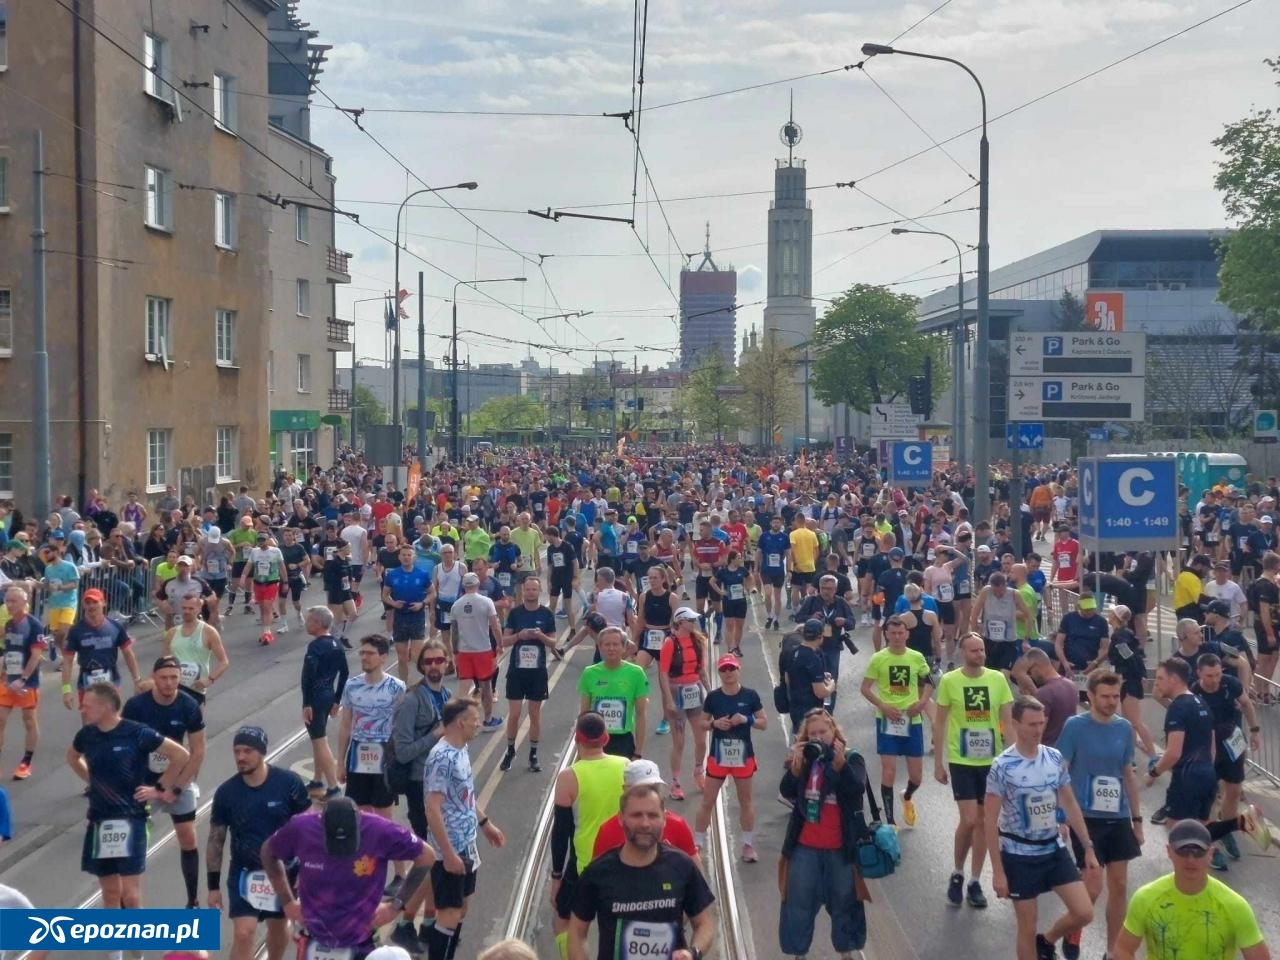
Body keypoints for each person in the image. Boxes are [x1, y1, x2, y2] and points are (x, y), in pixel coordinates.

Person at [984, 695, 1097, 960]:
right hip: (1018, 854)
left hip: (1052, 849)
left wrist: (1088, 846)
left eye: (1041, 723)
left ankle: (1047, 941)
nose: (1038, 730)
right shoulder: (1002, 766)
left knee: (1084, 912)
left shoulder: (1054, 757)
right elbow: (989, 821)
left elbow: (1068, 801)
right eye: (1032, 724)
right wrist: (997, 872)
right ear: (1015, 724)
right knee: (1027, 926)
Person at [260, 796, 436, 960]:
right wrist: (287, 903)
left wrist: (395, 906)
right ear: (321, 824)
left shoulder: (380, 830)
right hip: (313, 937)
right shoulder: (301, 828)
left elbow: (426, 856)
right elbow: (268, 853)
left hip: (362, 940)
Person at [68, 682, 190, 909]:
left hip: (131, 817)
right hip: (99, 820)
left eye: (87, 705)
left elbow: (180, 755)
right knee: (110, 893)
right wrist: (92, 781)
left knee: (131, 896)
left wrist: (159, 789)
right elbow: (73, 757)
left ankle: (134, 942)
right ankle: (116, 944)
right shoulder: (86, 735)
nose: (82, 710)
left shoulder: (136, 732)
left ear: (104, 707)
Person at [567, 782, 716, 960]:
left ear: (664, 819)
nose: (645, 823)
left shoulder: (682, 865)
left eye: (653, 815)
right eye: (636, 815)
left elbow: (705, 923)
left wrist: (693, 953)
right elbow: (576, 932)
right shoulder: (598, 872)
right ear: (621, 819)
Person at [1055, 671, 1145, 960]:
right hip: (1085, 817)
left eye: (1115, 697)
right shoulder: (1075, 727)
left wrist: (1137, 820)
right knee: (1093, 886)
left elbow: (1127, 774)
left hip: (1117, 816)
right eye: (1104, 697)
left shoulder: (1124, 728)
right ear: (1090, 696)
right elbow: (1060, 772)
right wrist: (1060, 816)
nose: (1110, 702)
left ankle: (1112, 951)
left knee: (1119, 885)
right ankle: (1074, 926)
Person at [207, 726, 312, 960]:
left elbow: (309, 830)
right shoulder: (226, 792)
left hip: (282, 873)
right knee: (244, 933)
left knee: (277, 928)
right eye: (237, 751)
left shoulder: (289, 784)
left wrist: (307, 871)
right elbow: (216, 839)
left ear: (262, 752)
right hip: (244, 873)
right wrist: (213, 886)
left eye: (248, 751)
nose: (241, 757)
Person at [777, 708, 869, 960]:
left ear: (834, 732)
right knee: (799, 904)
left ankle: (847, 952)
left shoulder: (851, 759)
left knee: (845, 903)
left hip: (840, 849)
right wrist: (796, 769)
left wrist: (839, 766)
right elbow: (785, 791)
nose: (818, 737)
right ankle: (799, 954)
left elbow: (856, 789)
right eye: (812, 733)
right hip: (804, 847)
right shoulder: (805, 760)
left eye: (823, 732)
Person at [933, 632, 1014, 909]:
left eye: (982, 650)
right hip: (962, 760)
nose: (980, 655)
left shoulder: (997, 679)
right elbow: (940, 721)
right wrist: (938, 763)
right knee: (968, 820)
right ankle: (957, 871)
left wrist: (1013, 758)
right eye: (974, 651)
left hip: (991, 762)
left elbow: (1007, 721)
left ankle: (975, 881)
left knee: (983, 822)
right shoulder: (950, 681)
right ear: (962, 653)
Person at [1112, 819, 1271, 960]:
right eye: (1183, 851)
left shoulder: (1235, 906)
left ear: (1210, 854)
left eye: (1198, 851)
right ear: (1169, 852)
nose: (1190, 859)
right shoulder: (1145, 898)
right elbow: (1123, 949)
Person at [423, 698, 507, 960]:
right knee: (448, 913)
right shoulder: (442, 758)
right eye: (474, 719)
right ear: (461, 722)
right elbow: (432, 808)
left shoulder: (460, 749)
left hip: (466, 841)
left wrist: (484, 823)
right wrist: (447, 854)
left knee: (461, 908)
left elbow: (465, 795)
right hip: (451, 848)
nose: (478, 723)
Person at [122, 656, 207, 908]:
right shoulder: (136, 706)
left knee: (189, 838)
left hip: (178, 779)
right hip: (144, 783)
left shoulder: (189, 705)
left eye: (174, 678)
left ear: (180, 678)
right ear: (153, 677)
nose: (169, 683)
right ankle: (126, 906)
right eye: (163, 678)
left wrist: (176, 788)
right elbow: (125, 748)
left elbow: (198, 752)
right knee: (132, 845)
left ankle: (192, 900)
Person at [550, 712, 629, 960]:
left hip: (585, 864)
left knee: (565, 922)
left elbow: (561, 833)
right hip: (624, 862)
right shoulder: (626, 766)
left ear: (577, 739)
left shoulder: (568, 777)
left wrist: (556, 877)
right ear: (606, 738)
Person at [860, 615, 933, 827]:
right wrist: (882, 705)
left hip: (912, 720)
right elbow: (865, 688)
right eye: (893, 633)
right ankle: (890, 821)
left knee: (917, 776)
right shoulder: (879, 658)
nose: (897, 637)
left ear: (907, 634)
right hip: (887, 719)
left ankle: (907, 796)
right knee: (888, 769)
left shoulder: (917, 657)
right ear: (887, 635)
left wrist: (921, 702)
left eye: (901, 633)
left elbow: (929, 683)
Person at [1193, 652, 1263, 869]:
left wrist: (1254, 731)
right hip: (1207, 748)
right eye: (1209, 676)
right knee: (1210, 796)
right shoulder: (1194, 691)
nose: (1215, 680)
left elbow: (1246, 704)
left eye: (1217, 674)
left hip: (1233, 744)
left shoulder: (1229, 684)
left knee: (1233, 791)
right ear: (1199, 674)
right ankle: (1209, 844)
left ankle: (1226, 829)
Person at [695, 654, 765, 862]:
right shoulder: (714, 697)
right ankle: (697, 844)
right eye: (724, 670)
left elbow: (763, 722)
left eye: (731, 669)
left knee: (746, 801)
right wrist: (714, 724)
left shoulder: (750, 695)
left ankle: (748, 845)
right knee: (707, 801)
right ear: (719, 672)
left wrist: (747, 719)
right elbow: (702, 722)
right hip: (719, 756)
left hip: (744, 757)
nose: (728, 673)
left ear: (738, 670)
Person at [337, 634, 406, 819]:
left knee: (384, 812)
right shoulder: (352, 685)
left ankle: (384, 847)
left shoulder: (397, 687)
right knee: (359, 812)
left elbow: (402, 727)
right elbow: (345, 726)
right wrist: (340, 763)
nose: (364, 657)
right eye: (362, 653)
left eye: (370, 653)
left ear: (383, 657)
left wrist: (400, 762)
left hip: (385, 752)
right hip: (358, 752)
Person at [500, 576, 557, 773]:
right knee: (514, 714)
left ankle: (533, 753)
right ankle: (510, 750)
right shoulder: (515, 613)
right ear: (523, 591)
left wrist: (540, 635)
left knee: (534, 715)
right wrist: (519, 636)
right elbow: (504, 641)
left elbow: (553, 643)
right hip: (516, 672)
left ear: (539, 591)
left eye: (534, 589)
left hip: (537, 673)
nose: (531, 592)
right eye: (528, 589)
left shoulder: (547, 614)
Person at [590, 758, 700, 861]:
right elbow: (597, 873)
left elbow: (695, 870)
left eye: (655, 788)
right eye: (642, 789)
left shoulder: (678, 825)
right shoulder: (608, 831)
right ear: (626, 790)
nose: (649, 793)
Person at [658, 607, 711, 800]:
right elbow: (663, 672)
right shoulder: (670, 643)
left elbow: (702, 670)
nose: (694, 622)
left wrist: (710, 691)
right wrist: (669, 700)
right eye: (690, 620)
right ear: (680, 622)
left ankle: (699, 771)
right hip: (677, 689)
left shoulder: (698, 642)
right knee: (679, 742)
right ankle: (675, 781)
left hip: (694, 689)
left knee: (701, 739)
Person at [61, 588, 143, 709]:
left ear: (104, 603)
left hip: (111, 679)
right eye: (88, 603)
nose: (91, 606)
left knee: (111, 720)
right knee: (89, 723)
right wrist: (66, 690)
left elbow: (128, 654)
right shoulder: (76, 631)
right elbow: (67, 661)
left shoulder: (116, 627)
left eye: (95, 602)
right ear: (83, 605)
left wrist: (137, 680)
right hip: (86, 681)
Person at [299, 606, 349, 800]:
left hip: (316, 697)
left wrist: (307, 703)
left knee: (320, 741)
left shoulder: (315, 647)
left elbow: (307, 677)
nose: (306, 623)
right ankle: (317, 779)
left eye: (309, 620)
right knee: (317, 738)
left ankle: (333, 786)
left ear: (318, 624)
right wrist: (337, 699)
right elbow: (344, 673)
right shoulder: (337, 644)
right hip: (328, 695)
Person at [577, 627, 649, 759]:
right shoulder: (589, 673)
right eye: (607, 644)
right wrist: (580, 749)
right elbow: (583, 714)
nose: (611, 648)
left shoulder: (636, 673)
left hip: (623, 741)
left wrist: (638, 752)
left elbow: (641, 714)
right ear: (599, 647)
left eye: (615, 644)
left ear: (624, 647)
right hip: (594, 739)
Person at [0, 584, 47, 779]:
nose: (9, 605)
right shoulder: (9, 624)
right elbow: (9, 651)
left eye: (13, 601)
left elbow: (36, 656)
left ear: (25, 602)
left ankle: (26, 762)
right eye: (7, 600)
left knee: (28, 721)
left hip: (27, 682)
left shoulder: (34, 625)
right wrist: (3, 672)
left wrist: (23, 678)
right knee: (0, 718)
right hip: (8, 680)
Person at [449, 573, 505, 731]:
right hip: (483, 650)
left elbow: (454, 631)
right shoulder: (486, 602)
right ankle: (487, 720)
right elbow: (495, 626)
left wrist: (455, 651)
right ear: (478, 584)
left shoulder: (456, 605)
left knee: (463, 689)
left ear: (464, 586)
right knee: (486, 687)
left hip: (464, 651)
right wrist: (499, 644)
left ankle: (460, 722)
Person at [158, 594, 230, 708]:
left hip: (196, 689)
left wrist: (209, 679)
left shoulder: (208, 632)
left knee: (195, 725)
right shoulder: (171, 633)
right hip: (174, 688)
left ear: (199, 609)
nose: (187, 611)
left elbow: (224, 662)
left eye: (191, 608)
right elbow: (163, 663)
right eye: (184, 608)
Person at [384, 544, 431, 682]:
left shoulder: (422, 574)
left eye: (409, 555)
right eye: (404, 555)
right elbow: (385, 595)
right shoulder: (392, 575)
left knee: (417, 656)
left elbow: (432, 592)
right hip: (400, 618)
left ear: (414, 557)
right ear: (399, 557)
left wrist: (422, 603)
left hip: (417, 617)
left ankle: (425, 684)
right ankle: (404, 685)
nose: (406, 557)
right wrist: (393, 603)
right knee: (402, 658)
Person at [1014, 648, 1079, 748]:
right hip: (1068, 749)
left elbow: (1037, 732)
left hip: (1048, 750)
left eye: (1030, 673)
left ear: (1036, 667)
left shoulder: (1045, 693)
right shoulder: (1071, 686)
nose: (1031, 677)